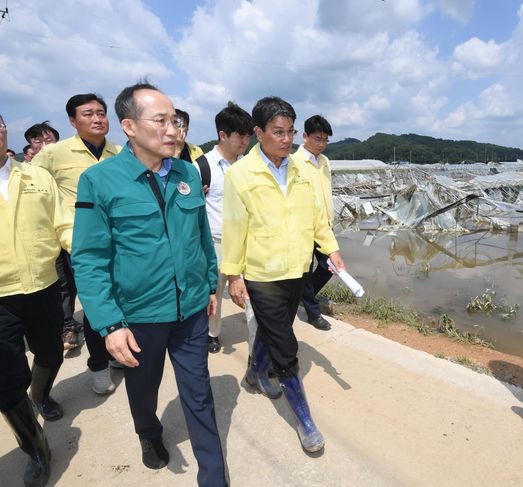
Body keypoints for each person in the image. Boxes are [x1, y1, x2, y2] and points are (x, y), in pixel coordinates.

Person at [72, 82, 226, 485]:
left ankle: (213, 476)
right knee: (144, 387)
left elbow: (200, 237)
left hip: (191, 309)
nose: (173, 129)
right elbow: (89, 258)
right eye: (161, 120)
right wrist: (109, 324)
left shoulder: (187, 171)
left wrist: (210, 284)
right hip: (138, 316)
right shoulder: (99, 180)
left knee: (199, 393)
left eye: (175, 120)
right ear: (130, 127)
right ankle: (148, 433)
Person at [222, 96, 345, 453]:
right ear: (258, 132)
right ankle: (305, 420)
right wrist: (234, 275)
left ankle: (255, 372)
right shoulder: (241, 175)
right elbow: (233, 227)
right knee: (286, 345)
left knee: (274, 329)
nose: (287, 138)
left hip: (296, 270)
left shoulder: (301, 170)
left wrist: (331, 249)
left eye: (290, 131)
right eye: (278, 132)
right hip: (261, 274)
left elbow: (317, 218)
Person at [0, 113, 72, 487]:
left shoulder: (36, 177)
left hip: (43, 285)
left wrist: (87, 253)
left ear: (4, 131)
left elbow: (63, 223)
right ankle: (37, 447)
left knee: (51, 353)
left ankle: (40, 394)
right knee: (6, 382)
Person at [32, 94, 121, 394]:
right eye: (88, 114)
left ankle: (117, 349)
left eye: (101, 112)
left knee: (122, 299)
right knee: (96, 304)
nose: (98, 118)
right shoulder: (54, 154)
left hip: (118, 241)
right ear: (73, 121)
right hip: (79, 244)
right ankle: (99, 364)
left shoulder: (119, 153)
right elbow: (36, 192)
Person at [193, 101, 252, 354]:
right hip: (215, 243)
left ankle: (256, 339)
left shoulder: (249, 167)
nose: (245, 141)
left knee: (250, 292)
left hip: (244, 242)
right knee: (213, 292)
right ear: (222, 135)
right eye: (240, 135)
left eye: (248, 135)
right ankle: (211, 333)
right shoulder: (201, 167)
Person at [293, 115, 335, 330]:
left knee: (330, 266)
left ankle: (304, 295)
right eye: (318, 139)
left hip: (324, 225)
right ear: (305, 136)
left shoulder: (325, 162)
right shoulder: (294, 162)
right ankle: (313, 313)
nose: (321, 144)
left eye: (325, 140)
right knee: (304, 269)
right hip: (303, 227)